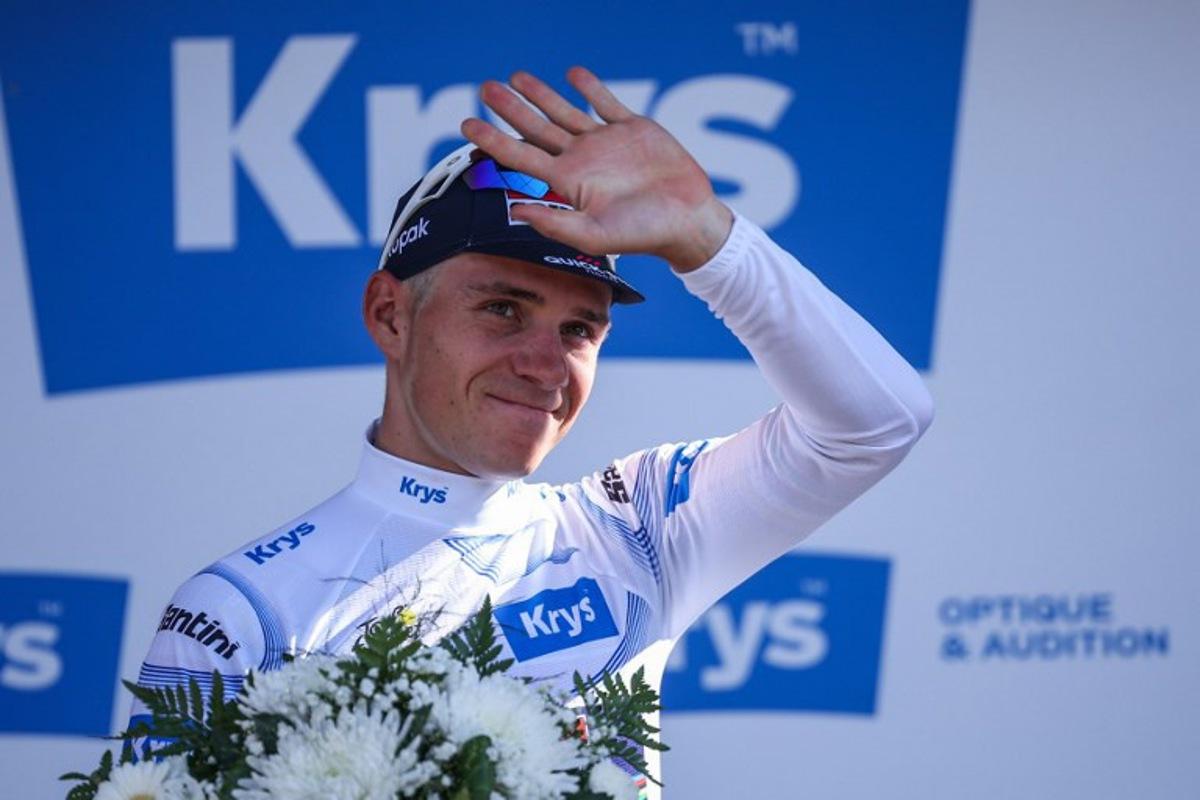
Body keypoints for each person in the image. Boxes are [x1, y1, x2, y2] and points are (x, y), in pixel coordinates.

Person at [131, 66, 933, 787]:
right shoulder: (240, 610)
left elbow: (879, 422)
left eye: (578, 331)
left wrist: (708, 242)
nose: (545, 366)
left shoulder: (636, 526)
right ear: (389, 315)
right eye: (503, 309)